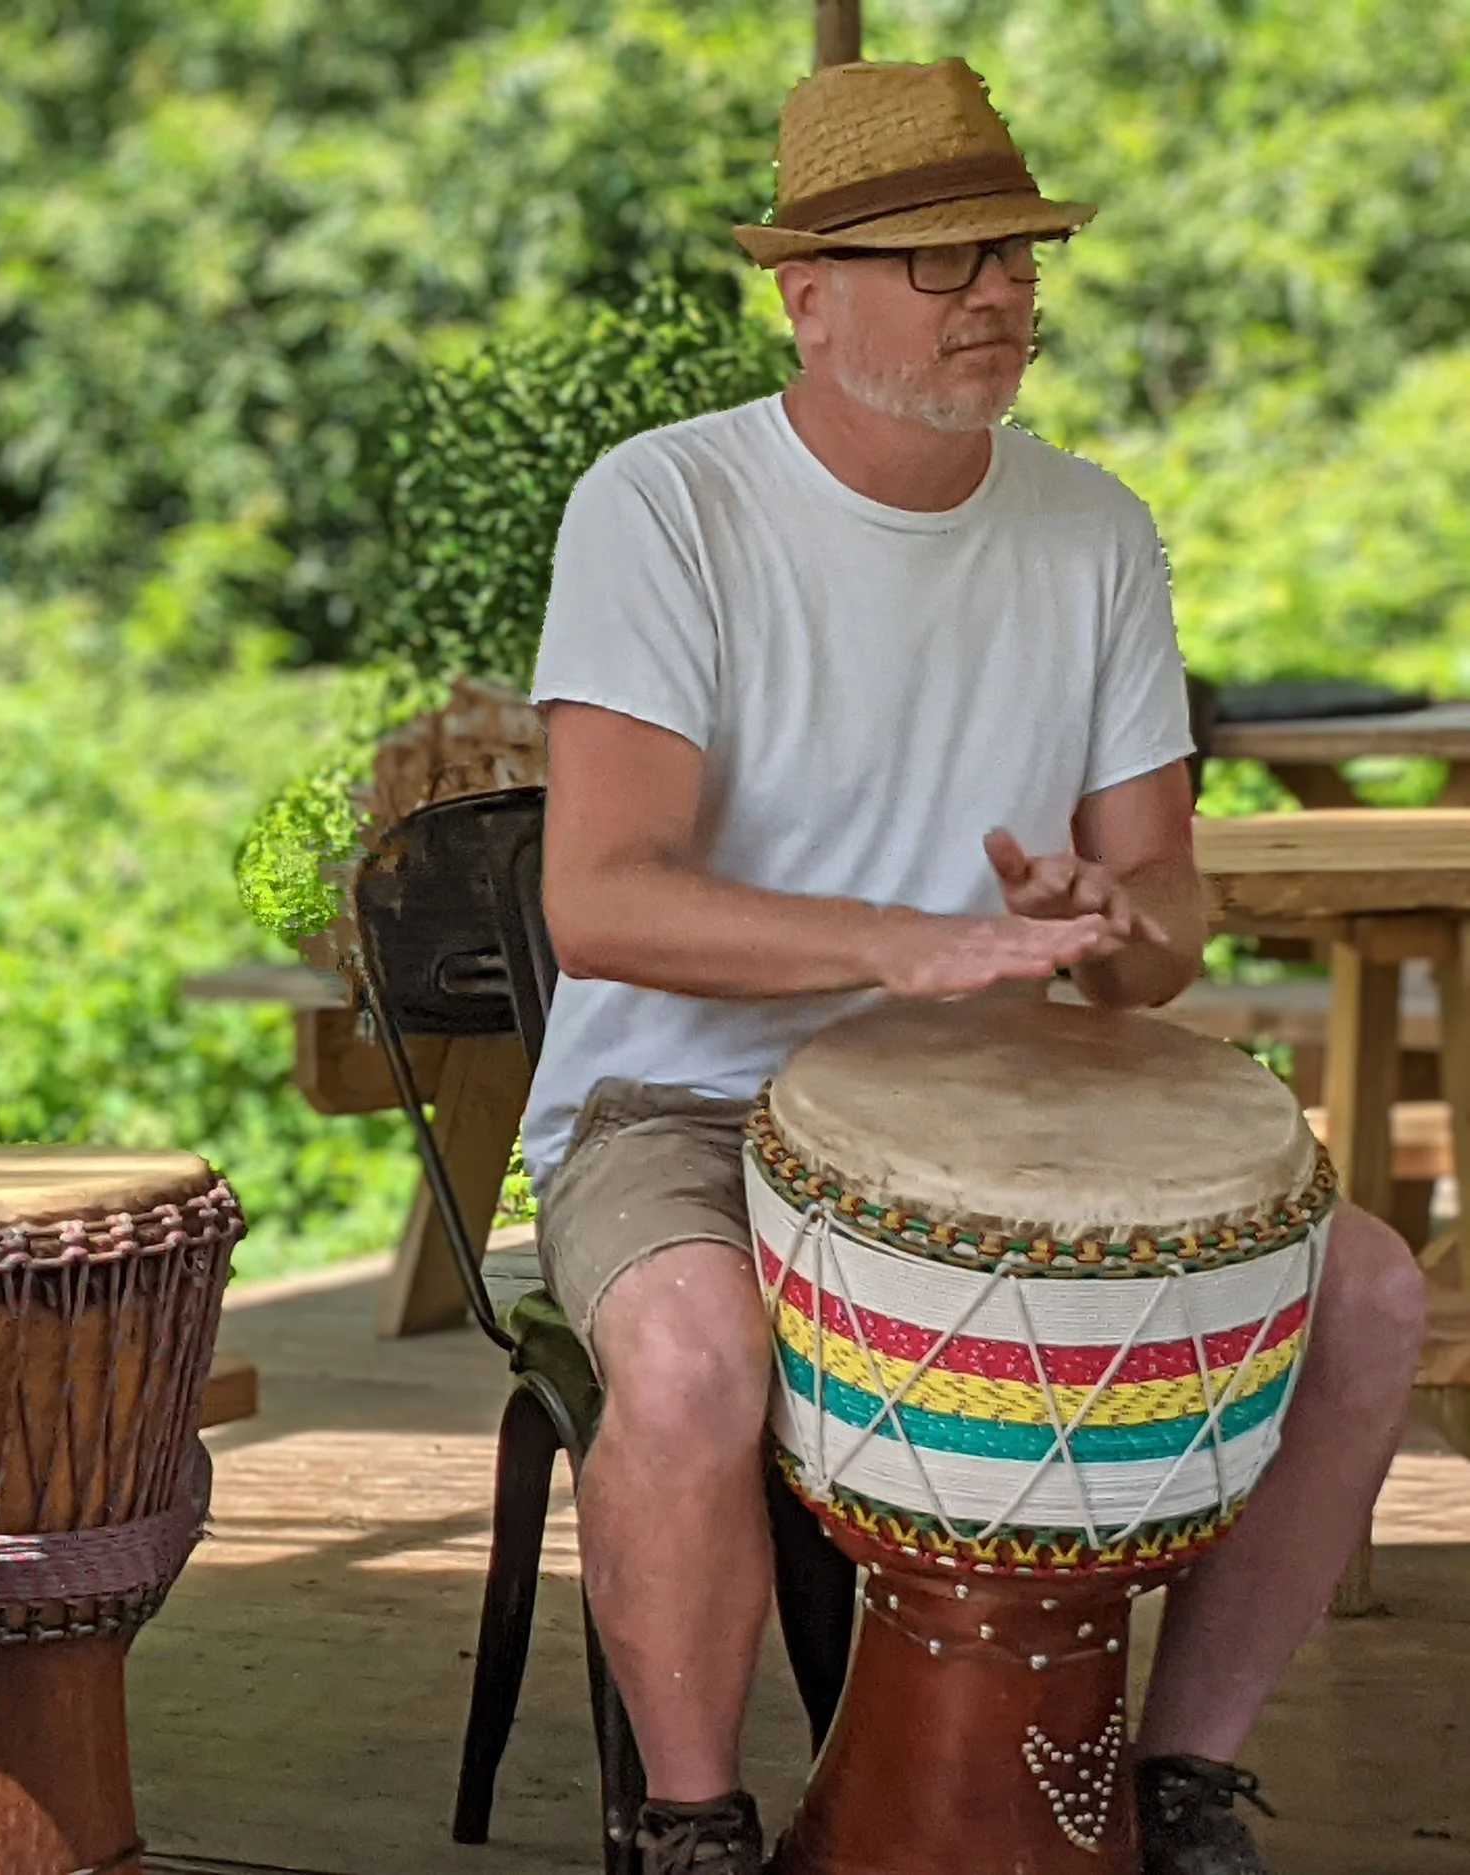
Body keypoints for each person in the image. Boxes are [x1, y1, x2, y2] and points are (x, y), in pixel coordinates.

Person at [523, 60, 1429, 1875]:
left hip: (1004, 1108)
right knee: (691, 1357)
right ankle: (694, 1824)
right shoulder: (668, 505)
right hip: (677, 1099)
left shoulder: (1094, 527)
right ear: (807, 295)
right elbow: (601, 903)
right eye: (941, 258)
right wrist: (903, 943)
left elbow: (1161, 937)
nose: (996, 290)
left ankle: (1180, 1783)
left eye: (1013, 253)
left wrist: (1108, 913)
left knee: (1373, 1295)